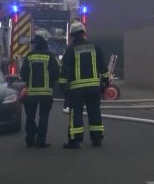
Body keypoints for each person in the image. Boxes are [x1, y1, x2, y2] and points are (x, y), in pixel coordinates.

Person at [60, 21, 110, 149]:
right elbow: (103, 67)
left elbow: (65, 71)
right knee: (95, 112)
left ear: (71, 35)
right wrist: (105, 82)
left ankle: (75, 141)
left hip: (76, 90)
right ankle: (97, 139)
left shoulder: (70, 49)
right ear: (84, 32)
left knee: (76, 114)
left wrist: (62, 88)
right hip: (94, 88)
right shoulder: (95, 47)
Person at [20, 31, 59, 148]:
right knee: (44, 117)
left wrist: (29, 82)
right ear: (46, 42)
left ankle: (29, 140)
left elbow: (23, 73)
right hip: (46, 93)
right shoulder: (50, 56)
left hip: (31, 94)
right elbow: (56, 73)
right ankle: (41, 141)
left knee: (30, 117)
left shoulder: (29, 56)